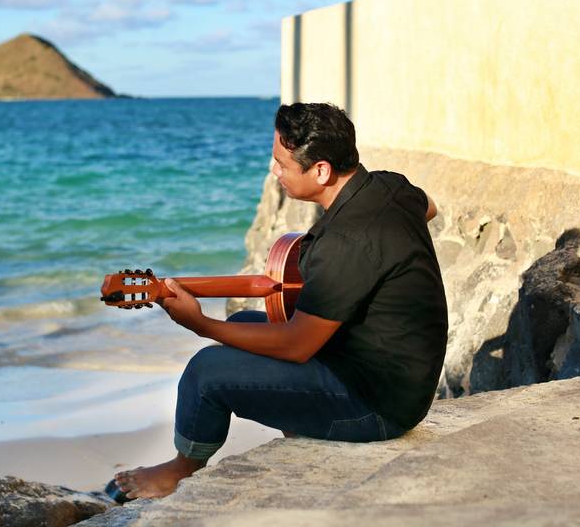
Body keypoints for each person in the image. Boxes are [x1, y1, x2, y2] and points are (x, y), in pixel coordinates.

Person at [112, 102, 448, 500]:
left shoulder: (345, 243)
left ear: (321, 170)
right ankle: (304, 423)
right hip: (395, 375)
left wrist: (199, 323)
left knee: (207, 372)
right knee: (242, 326)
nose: (275, 172)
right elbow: (428, 206)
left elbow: (296, 344)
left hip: (378, 406)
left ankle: (182, 468)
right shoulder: (390, 187)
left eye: (282, 164)